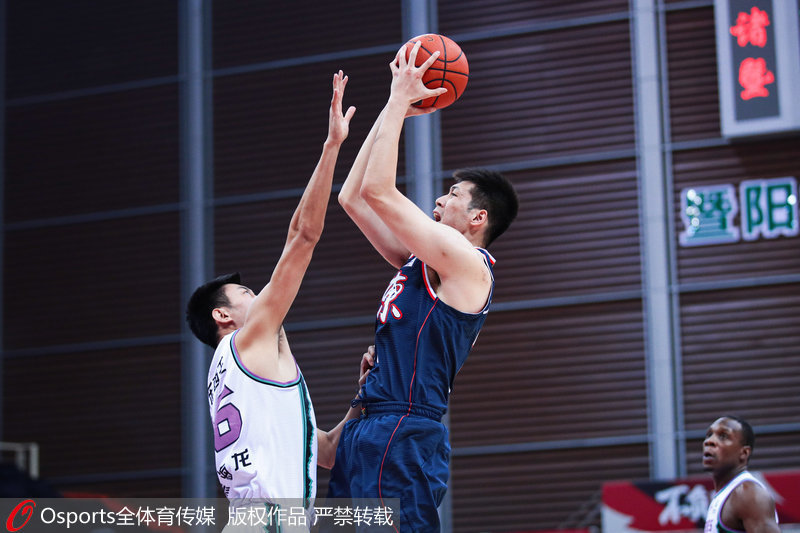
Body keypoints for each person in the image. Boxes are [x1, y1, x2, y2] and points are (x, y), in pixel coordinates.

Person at [327, 42, 519, 531]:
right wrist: (397, 113)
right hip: (369, 422)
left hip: (404, 428)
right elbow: (353, 197)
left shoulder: (467, 265)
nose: (438, 199)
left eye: (452, 195)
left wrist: (399, 99)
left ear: (478, 218)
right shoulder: (422, 259)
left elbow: (379, 191)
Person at [186, 72, 370, 510]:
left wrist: (362, 396)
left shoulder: (238, 377)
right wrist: (332, 146)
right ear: (222, 315)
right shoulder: (247, 341)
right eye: (248, 292)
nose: (262, 296)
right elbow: (302, 236)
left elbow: (326, 452)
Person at [703, 415, 780, 533]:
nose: (709, 441)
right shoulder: (725, 494)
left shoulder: (748, 494)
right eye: (709, 435)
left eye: (723, 436)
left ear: (744, 453)